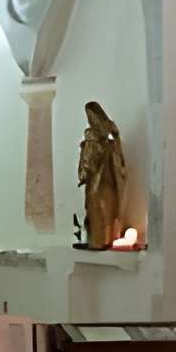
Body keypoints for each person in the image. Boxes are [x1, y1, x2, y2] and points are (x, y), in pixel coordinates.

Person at [77, 100, 127, 249]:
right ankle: (95, 238)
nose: (91, 119)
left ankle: (106, 238)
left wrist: (109, 142)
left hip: (105, 171)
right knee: (93, 206)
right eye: (89, 116)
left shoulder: (108, 129)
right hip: (93, 176)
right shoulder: (90, 134)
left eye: (93, 115)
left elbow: (114, 143)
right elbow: (86, 156)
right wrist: (84, 170)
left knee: (106, 206)